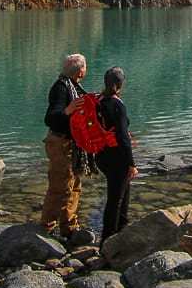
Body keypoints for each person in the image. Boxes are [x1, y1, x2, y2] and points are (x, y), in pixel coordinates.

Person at [40, 52, 88, 237]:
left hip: (70, 144)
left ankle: (69, 225)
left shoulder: (73, 86)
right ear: (81, 72)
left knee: (74, 183)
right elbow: (50, 118)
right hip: (60, 143)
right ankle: (47, 226)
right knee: (60, 186)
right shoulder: (61, 88)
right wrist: (68, 110)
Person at [95, 66, 137, 244]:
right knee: (115, 199)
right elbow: (122, 137)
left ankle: (121, 231)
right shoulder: (117, 104)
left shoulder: (98, 101)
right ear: (119, 84)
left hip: (102, 155)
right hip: (117, 157)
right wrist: (131, 163)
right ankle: (107, 240)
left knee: (122, 192)